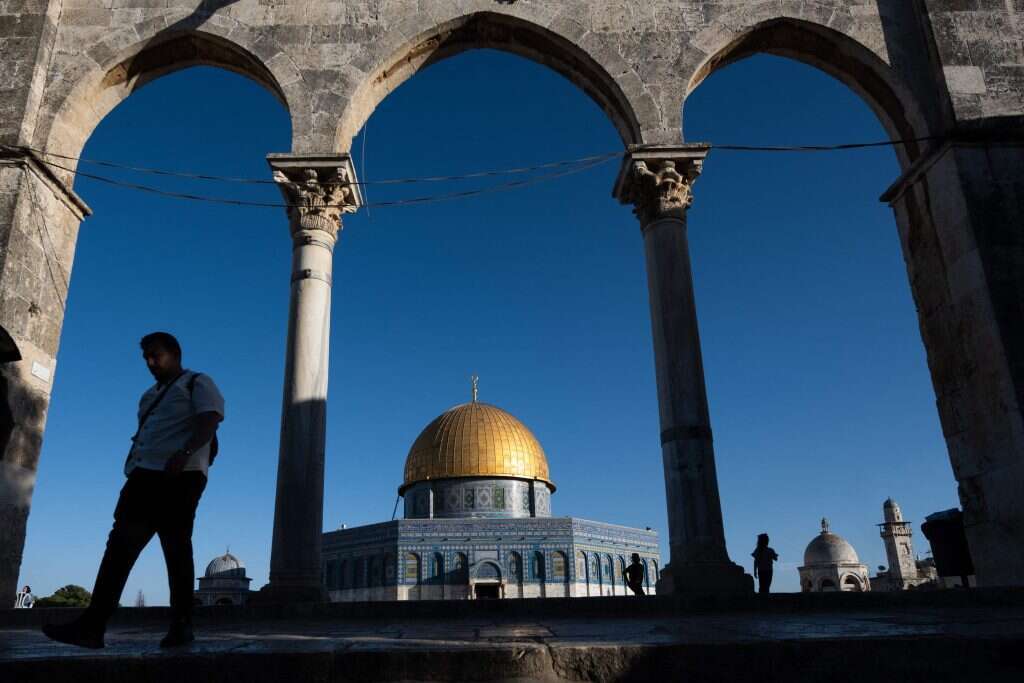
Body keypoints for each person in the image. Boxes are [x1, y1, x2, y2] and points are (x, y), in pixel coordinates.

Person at [43, 332, 224, 649]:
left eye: (156, 355)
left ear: (175, 354)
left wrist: (184, 454)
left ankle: (181, 625)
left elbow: (210, 419)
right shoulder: (147, 396)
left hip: (179, 476)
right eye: (146, 358)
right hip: (142, 477)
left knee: (176, 548)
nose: (151, 363)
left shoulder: (198, 382)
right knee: (119, 548)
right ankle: (93, 624)